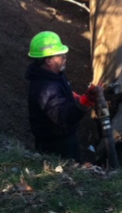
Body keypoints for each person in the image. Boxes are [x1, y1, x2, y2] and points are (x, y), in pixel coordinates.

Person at [25, 31, 98, 160]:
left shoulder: (54, 74)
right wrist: (85, 102)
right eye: (60, 55)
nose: (65, 57)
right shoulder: (45, 89)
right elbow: (64, 117)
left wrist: (72, 96)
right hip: (56, 148)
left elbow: (60, 93)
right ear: (48, 60)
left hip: (66, 138)